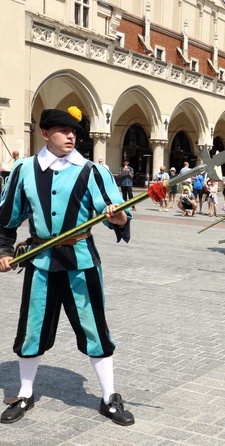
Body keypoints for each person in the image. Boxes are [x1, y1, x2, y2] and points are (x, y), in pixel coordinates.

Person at [0, 107, 134, 425]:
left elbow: (118, 215)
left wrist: (119, 218)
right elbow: (6, 218)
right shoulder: (23, 170)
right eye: (62, 130)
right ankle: (26, 393)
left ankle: (108, 398)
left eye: (74, 130)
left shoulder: (92, 171)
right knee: (32, 329)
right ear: (45, 134)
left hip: (82, 264)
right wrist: (4, 249)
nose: (71, 135)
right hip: (41, 264)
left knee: (94, 330)